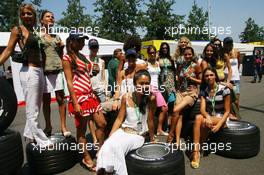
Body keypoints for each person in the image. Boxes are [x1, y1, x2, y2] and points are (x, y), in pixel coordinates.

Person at [0, 3, 52, 147]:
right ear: (20, 16)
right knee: (32, 109)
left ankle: (29, 135)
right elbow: (9, 50)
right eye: (23, 14)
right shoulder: (18, 30)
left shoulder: (35, 31)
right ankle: (42, 141)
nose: (26, 16)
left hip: (39, 71)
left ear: (34, 16)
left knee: (36, 106)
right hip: (29, 71)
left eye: (29, 14)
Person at [96, 69, 156, 175]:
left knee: (117, 147)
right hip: (123, 131)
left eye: (147, 83)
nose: (144, 86)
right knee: (106, 146)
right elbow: (119, 119)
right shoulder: (126, 97)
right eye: (141, 83)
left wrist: (151, 139)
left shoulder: (151, 98)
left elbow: (150, 120)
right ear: (134, 84)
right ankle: (104, 172)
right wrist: (110, 136)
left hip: (137, 135)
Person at [62, 33, 106, 172]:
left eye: (83, 40)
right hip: (79, 97)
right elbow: (69, 81)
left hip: (90, 95)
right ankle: (86, 157)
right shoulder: (67, 57)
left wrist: (93, 71)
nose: (82, 43)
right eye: (79, 41)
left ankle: (100, 152)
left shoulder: (82, 56)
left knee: (102, 123)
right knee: (82, 129)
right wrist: (75, 103)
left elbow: (86, 75)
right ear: (71, 42)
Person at [191, 67, 231, 169]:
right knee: (199, 118)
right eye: (206, 76)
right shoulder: (205, 91)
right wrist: (208, 117)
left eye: (211, 75)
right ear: (204, 78)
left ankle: (200, 148)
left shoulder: (224, 89)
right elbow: (203, 109)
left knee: (201, 119)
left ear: (215, 76)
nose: (209, 77)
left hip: (222, 119)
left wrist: (219, 124)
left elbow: (227, 111)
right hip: (210, 117)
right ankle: (197, 151)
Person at [40, 10, 70, 137]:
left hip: (57, 70)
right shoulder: (37, 36)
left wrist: (62, 47)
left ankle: (63, 126)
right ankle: (48, 126)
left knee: (60, 99)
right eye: (48, 16)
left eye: (52, 17)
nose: (51, 18)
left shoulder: (57, 37)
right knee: (46, 101)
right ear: (41, 20)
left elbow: (61, 56)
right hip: (44, 71)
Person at [169, 47, 201, 145]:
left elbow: (202, 81)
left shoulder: (196, 66)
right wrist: (177, 87)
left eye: (189, 54)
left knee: (175, 110)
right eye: (185, 54)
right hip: (181, 92)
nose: (187, 56)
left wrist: (191, 78)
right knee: (179, 114)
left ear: (192, 55)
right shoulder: (181, 66)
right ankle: (177, 140)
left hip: (191, 93)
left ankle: (171, 135)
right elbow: (178, 79)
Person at [147, 46, 168, 136]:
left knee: (164, 108)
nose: (152, 54)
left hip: (157, 88)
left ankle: (159, 129)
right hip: (150, 88)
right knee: (152, 110)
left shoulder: (157, 63)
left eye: (153, 52)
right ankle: (151, 131)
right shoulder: (145, 64)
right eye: (150, 52)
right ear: (148, 54)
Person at [158, 42, 177, 141]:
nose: (165, 49)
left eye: (166, 48)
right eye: (163, 48)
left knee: (171, 104)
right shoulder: (158, 58)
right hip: (162, 83)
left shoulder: (171, 58)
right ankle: (162, 127)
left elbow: (174, 70)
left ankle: (169, 125)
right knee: (163, 106)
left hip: (171, 82)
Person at [223, 37, 241, 110]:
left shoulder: (237, 52)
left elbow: (239, 64)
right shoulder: (223, 54)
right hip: (226, 80)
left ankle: (237, 116)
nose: (229, 45)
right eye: (227, 43)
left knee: (236, 100)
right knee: (227, 100)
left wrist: (236, 72)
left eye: (230, 43)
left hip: (236, 79)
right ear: (224, 44)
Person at [89, 39, 107, 103]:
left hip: (100, 91)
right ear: (89, 48)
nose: (94, 49)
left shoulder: (102, 61)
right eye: (92, 47)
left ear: (98, 48)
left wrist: (105, 89)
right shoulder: (85, 61)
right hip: (89, 91)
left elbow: (103, 77)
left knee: (103, 111)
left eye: (95, 47)